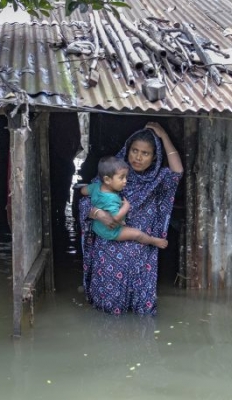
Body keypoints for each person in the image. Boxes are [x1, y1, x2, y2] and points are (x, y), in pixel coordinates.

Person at [79, 122, 183, 315]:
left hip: (141, 251)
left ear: (154, 157)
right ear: (128, 151)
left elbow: (177, 172)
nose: (138, 157)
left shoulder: (158, 179)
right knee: (107, 311)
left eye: (145, 153)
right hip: (109, 247)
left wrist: (164, 136)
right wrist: (98, 214)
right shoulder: (114, 174)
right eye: (134, 150)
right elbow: (86, 199)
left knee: (141, 311)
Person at [80, 156, 169, 248]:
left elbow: (83, 190)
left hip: (97, 225)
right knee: (137, 234)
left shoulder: (96, 186)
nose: (125, 181)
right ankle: (153, 241)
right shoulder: (111, 199)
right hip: (110, 231)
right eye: (121, 178)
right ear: (107, 179)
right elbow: (116, 217)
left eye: (126, 177)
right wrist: (126, 206)